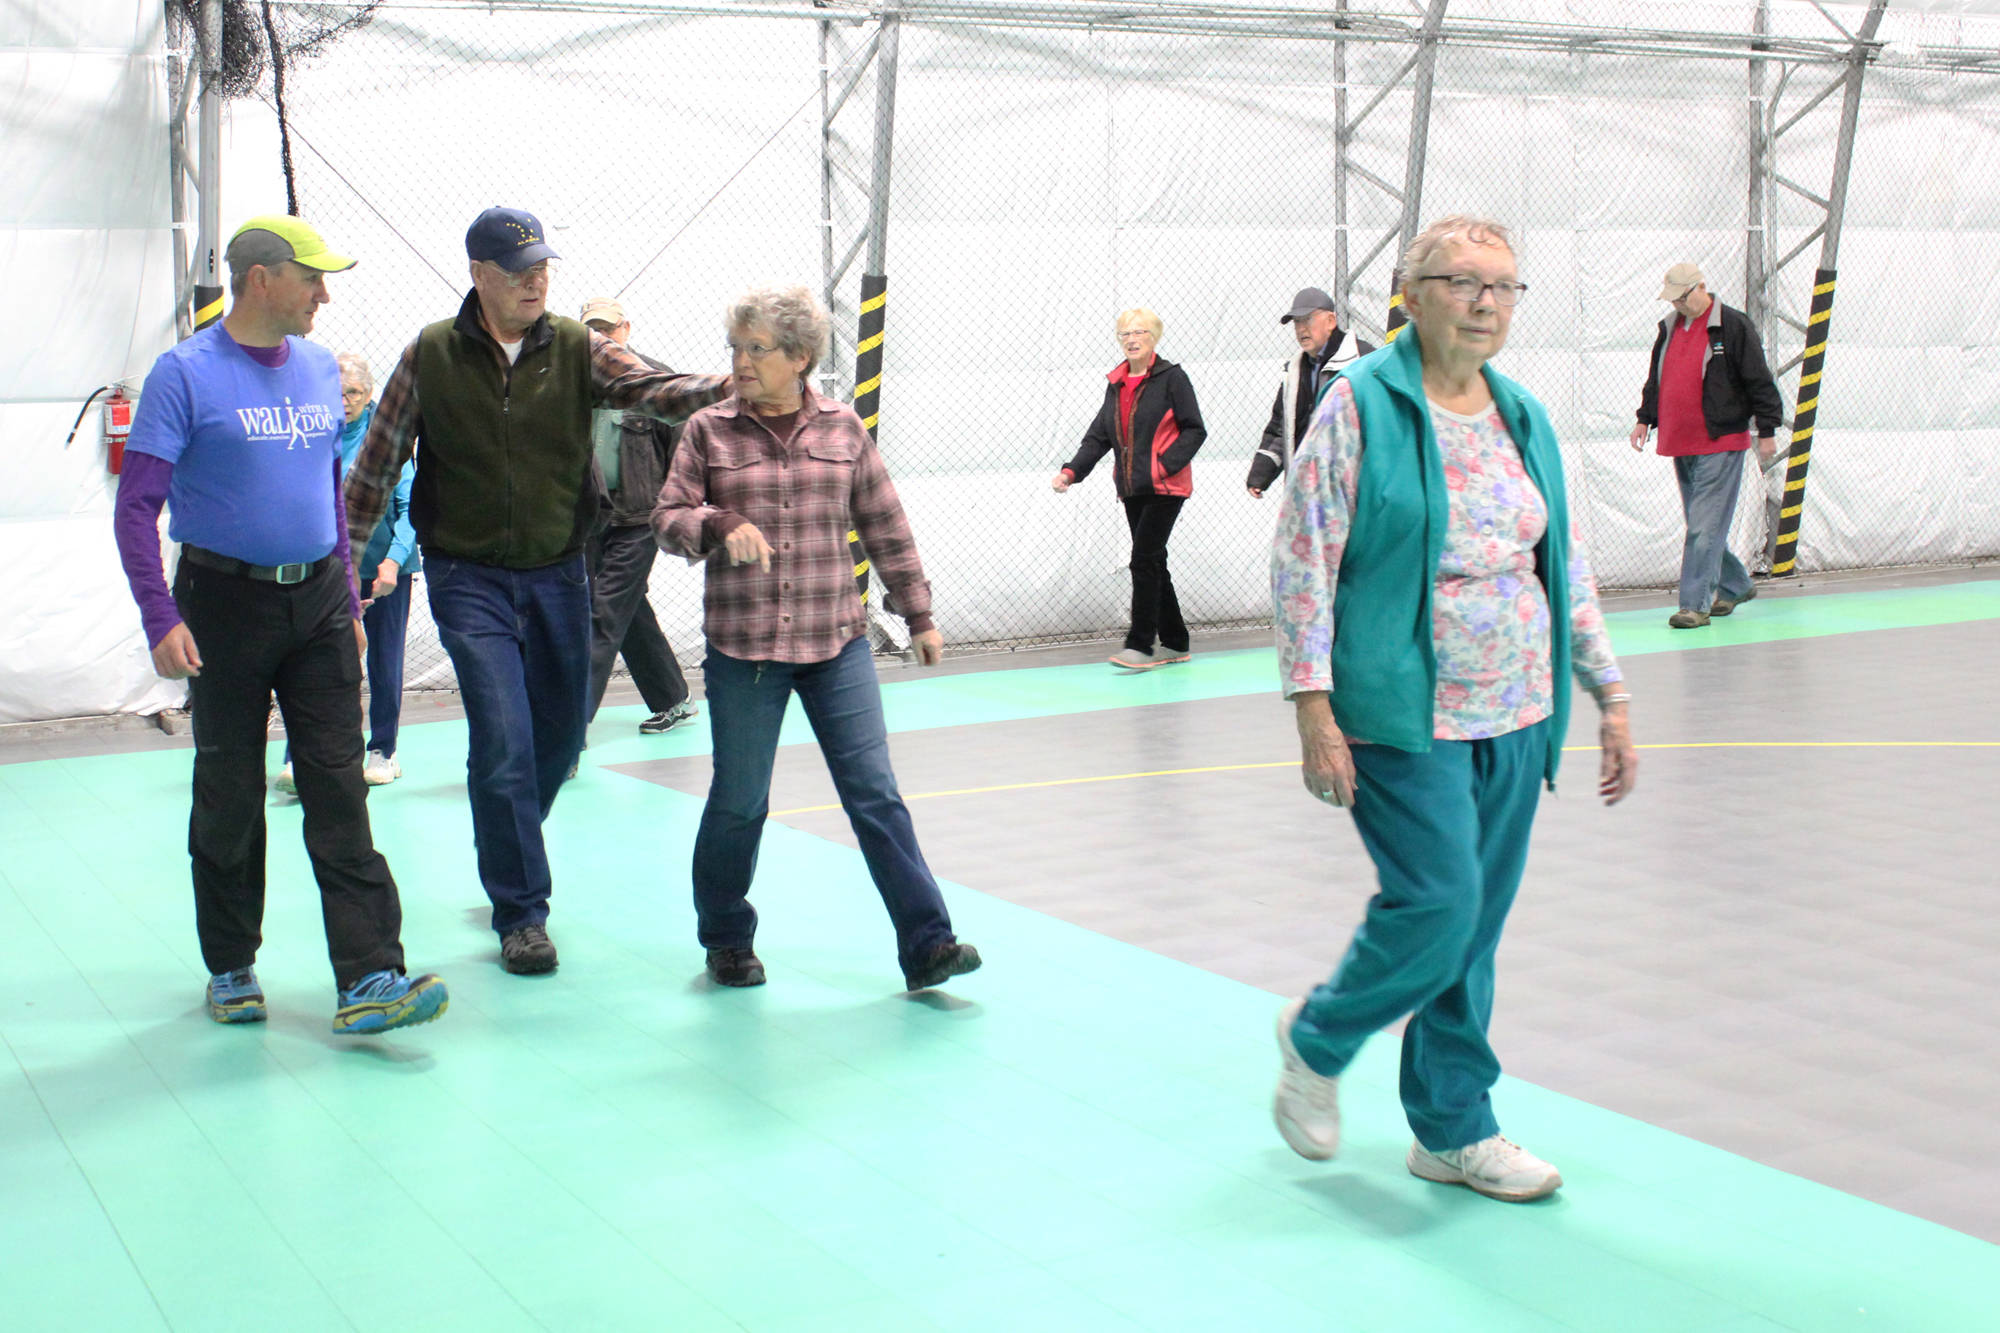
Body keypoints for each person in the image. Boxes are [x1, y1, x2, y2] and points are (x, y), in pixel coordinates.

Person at [1268, 216, 1638, 1202]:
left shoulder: (1519, 413)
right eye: (1461, 282)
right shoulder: (1358, 407)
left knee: (1471, 932)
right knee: (1438, 903)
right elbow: (1303, 558)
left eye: (1503, 287)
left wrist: (1607, 690)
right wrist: (1311, 705)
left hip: (1517, 711)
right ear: (1411, 291)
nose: (1484, 303)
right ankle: (1318, 1034)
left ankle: (1450, 1129)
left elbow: (1559, 564)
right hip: (1399, 709)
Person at [342, 207, 727, 976]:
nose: (535, 280)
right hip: (466, 575)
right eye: (518, 270)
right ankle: (521, 912)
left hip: (559, 569)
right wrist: (346, 577)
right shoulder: (431, 354)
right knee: (504, 735)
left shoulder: (579, 349)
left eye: (543, 267)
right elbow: (376, 467)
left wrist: (735, 383)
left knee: (556, 741)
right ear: (478, 275)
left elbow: (657, 388)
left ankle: (504, 827)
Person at [112, 214, 448, 1035]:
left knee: (338, 783)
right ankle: (231, 963)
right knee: (229, 790)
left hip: (320, 607)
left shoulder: (321, 368)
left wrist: (344, 589)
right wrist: (160, 614)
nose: (323, 294)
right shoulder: (182, 375)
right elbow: (137, 508)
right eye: (312, 278)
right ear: (261, 279)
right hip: (221, 604)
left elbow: (325, 489)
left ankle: (370, 974)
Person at [654, 283, 981, 993]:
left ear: (800, 357)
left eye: (757, 349)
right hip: (745, 653)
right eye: (735, 348)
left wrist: (918, 613)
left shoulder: (842, 429)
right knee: (741, 800)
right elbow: (669, 516)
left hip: (838, 645)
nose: (740, 361)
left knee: (875, 793)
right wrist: (715, 525)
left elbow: (884, 521)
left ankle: (929, 944)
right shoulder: (708, 430)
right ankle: (727, 938)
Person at [275, 352, 418, 793]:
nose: (344, 401)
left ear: (370, 393)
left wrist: (392, 562)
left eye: (353, 392)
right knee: (314, 665)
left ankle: (384, 750)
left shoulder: (389, 439)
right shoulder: (315, 433)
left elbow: (411, 509)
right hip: (328, 573)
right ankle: (299, 754)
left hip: (383, 569)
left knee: (382, 661)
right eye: (336, 392)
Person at [1628, 262, 1785, 628]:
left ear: (1701, 287)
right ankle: (1734, 584)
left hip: (1721, 440)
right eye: (1673, 299)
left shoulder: (1732, 325)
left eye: (1683, 297)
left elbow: (1758, 380)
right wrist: (1644, 418)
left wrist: (1767, 430)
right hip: (1681, 441)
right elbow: (1657, 376)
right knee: (1703, 526)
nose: (1678, 305)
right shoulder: (1668, 328)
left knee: (1702, 527)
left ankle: (1694, 605)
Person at [1050, 308, 1207, 671]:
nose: (1132, 339)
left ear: (1154, 338)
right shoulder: (1117, 383)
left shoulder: (1172, 378)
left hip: (1166, 487)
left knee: (1144, 559)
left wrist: (1164, 465)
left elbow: (1194, 429)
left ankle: (1141, 645)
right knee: (1154, 561)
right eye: (1125, 334)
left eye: (1140, 333)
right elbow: (1100, 434)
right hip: (1133, 488)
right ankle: (1175, 641)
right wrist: (1071, 472)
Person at [578, 296, 698, 737]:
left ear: (626, 329)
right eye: (593, 330)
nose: (602, 338)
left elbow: (683, 454)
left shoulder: (653, 380)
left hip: (637, 521)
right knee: (625, 610)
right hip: (588, 520)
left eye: (609, 328)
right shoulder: (571, 381)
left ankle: (569, 726)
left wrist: (676, 512)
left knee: (602, 614)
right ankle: (672, 697)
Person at [1247, 286, 1375, 498]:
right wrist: (1260, 474)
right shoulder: (1294, 371)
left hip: (1355, 488)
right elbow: (1281, 427)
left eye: (1308, 319)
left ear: (1331, 321)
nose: (1301, 329)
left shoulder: (1363, 360)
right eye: (1297, 322)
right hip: (1306, 489)